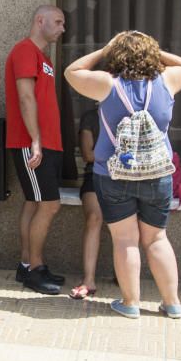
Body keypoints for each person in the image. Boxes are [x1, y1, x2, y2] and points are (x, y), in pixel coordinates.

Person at [64, 30, 181, 319]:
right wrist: (152, 50)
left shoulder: (106, 85)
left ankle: (130, 303)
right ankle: (172, 303)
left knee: (125, 240)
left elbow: (72, 71)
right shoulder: (167, 81)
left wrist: (106, 48)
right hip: (157, 174)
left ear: (116, 56)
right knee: (157, 238)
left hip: (113, 174)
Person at [5, 5, 67, 294]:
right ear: (39, 21)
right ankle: (34, 269)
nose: (62, 28)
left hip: (47, 142)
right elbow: (25, 97)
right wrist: (36, 140)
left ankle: (27, 264)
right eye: (57, 22)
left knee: (34, 202)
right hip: (31, 142)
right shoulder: (24, 51)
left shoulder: (44, 58)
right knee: (49, 204)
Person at [70, 105, 104, 299]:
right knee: (94, 218)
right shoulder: (91, 116)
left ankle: (123, 275)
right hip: (96, 175)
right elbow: (88, 155)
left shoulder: (131, 113)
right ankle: (89, 280)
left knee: (126, 223)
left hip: (125, 177)